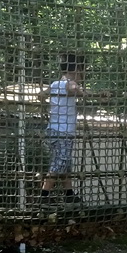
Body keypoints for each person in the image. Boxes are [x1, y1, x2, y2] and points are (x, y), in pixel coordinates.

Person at [41, 53, 86, 204]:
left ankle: (68, 194)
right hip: (63, 132)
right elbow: (73, 87)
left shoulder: (54, 84)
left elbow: (41, 95)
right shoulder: (69, 83)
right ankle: (44, 196)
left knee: (66, 164)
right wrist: (83, 92)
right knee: (59, 164)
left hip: (54, 130)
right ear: (77, 70)